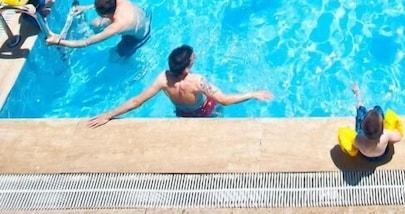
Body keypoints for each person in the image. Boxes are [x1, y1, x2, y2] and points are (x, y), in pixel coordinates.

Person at [87, 45, 273, 126]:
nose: (194, 57)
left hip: (184, 114)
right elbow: (224, 100)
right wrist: (252, 94)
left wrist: (108, 115)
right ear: (186, 68)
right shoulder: (197, 81)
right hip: (208, 111)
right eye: (192, 59)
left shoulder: (163, 79)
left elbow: (137, 101)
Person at [46, 0, 151, 55]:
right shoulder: (117, 0)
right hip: (138, 17)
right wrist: (85, 7)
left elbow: (85, 43)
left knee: (113, 57)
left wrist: (58, 41)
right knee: (95, 24)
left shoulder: (116, 26)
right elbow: (105, 5)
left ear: (105, 15)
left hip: (138, 37)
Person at [350, 82, 402, 160]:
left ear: (363, 128)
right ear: (382, 128)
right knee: (378, 108)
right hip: (381, 156)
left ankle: (358, 94)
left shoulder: (359, 139)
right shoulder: (386, 135)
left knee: (360, 109)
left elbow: (354, 145)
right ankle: (374, 109)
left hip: (366, 157)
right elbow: (398, 137)